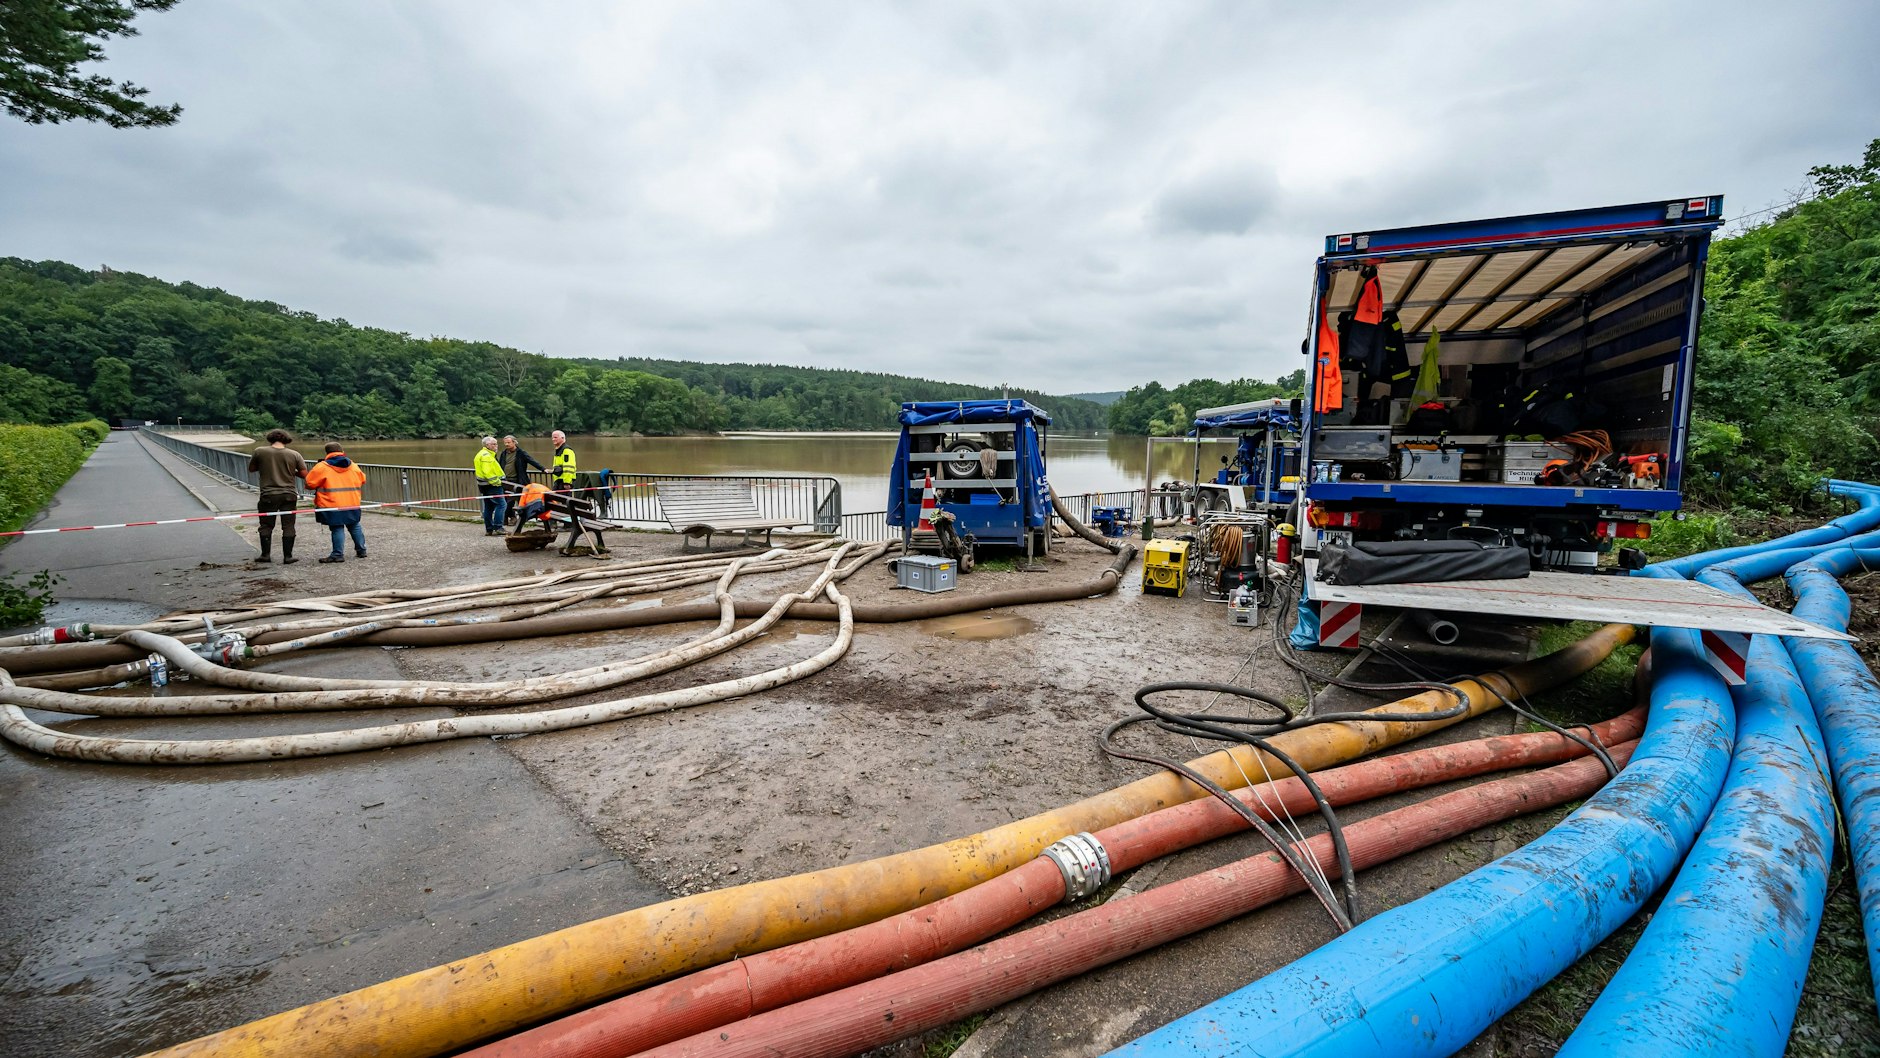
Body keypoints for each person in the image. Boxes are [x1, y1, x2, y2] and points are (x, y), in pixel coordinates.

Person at [246, 429, 305, 564]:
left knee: (266, 525)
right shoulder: (294, 454)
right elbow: (304, 474)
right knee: (288, 525)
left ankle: (265, 555)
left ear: (270, 438)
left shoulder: (260, 451)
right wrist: (292, 471)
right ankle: (288, 557)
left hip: (268, 494)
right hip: (289, 494)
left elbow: (251, 469)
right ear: (286, 440)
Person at [304, 442, 368, 563]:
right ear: (342, 450)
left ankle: (338, 554)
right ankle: (361, 550)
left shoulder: (322, 467)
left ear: (327, 452)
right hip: (352, 501)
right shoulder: (353, 465)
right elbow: (363, 479)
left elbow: (309, 484)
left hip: (331, 503)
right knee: (354, 525)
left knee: (337, 527)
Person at [473, 436, 507, 536]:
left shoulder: (482, 454)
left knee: (488, 506)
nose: (496, 446)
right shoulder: (486, 456)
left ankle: (489, 529)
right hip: (492, 486)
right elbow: (488, 473)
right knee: (502, 505)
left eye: (496, 443)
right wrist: (498, 482)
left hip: (484, 486)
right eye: (494, 444)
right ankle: (498, 527)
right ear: (487, 445)